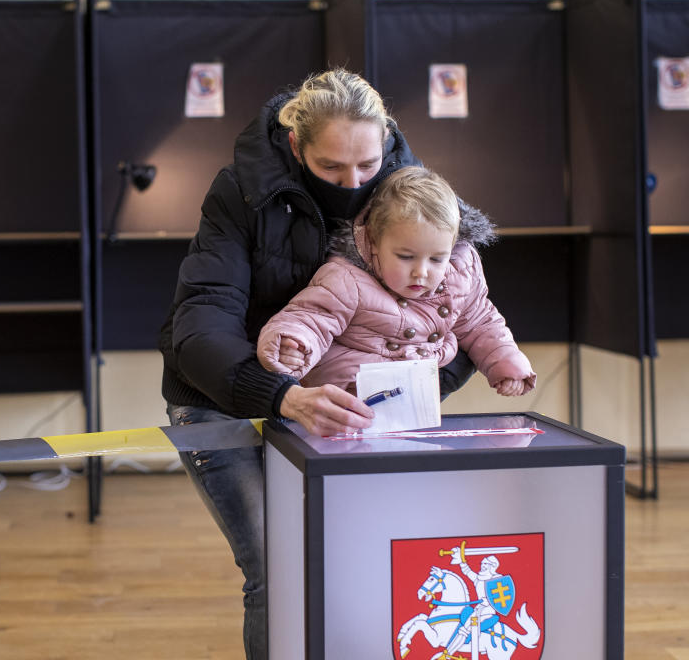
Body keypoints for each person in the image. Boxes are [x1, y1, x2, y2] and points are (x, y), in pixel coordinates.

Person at [159, 69, 478, 659]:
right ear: (295, 145)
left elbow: (465, 311)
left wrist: (419, 381)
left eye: (367, 165)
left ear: (385, 142)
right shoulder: (239, 190)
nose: (353, 183)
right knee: (277, 564)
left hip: (355, 403)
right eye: (331, 168)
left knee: (365, 556)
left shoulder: (412, 192)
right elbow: (199, 324)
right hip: (222, 399)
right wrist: (281, 395)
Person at [257, 166, 536, 398]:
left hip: (413, 397)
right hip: (345, 397)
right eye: (406, 257)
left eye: (437, 259)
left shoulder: (460, 274)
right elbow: (310, 318)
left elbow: (481, 322)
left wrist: (507, 363)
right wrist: (292, 344)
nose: (421, 272)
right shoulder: (346, 278)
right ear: (374, 243)